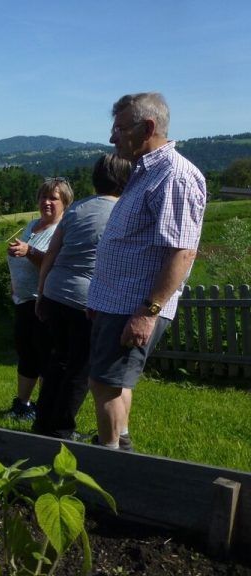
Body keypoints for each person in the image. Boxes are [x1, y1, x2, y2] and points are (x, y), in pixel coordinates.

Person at [87, 92, 206, 450]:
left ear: (148, 127)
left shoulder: (175, 176)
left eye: (121, 128)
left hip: (134, 306)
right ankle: (120, 447)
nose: (112, 137)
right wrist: (99, 298)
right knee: (113, 382)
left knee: (105, 383)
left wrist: (147, 312)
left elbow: (182, 253)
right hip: (117, 302)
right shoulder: (144, 172)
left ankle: (108, 463)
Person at [34, 154, 132, 439]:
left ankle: (42, 423)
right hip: (85, 299)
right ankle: (61, 429)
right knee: (80, 367)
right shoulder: (123, 211)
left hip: (55, 292)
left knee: (58, 360)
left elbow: (52, 254)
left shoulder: (77, 208)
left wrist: (41, 293)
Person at [6, 178, 73, 419]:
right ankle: (23, 404)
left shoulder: (62, 229)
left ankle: (46, 409)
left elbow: (56, 264)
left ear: (65, 202)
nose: (47, 202)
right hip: (23, 301)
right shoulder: (33, 225)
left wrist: (29, 251)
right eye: (43, 197)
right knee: (26, 355)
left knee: (46, 357)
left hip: (44, 303)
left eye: (53, 198)